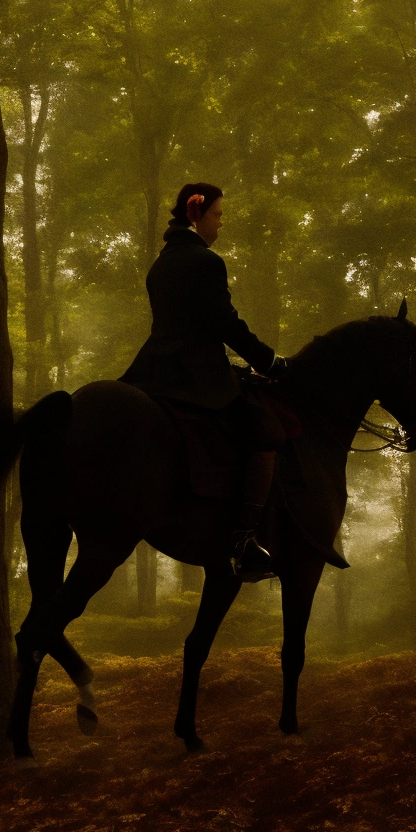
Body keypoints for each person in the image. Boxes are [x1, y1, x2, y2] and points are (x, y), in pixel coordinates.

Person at [121, 182, 291, 582]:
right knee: (267, 433)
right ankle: (243, 539)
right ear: (196, 215)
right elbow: (224, 324)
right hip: (196, 374)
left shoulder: (161, 264)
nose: (220, 223)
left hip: (153, 370)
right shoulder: (205, 261)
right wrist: (269, 361)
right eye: (217, 215)